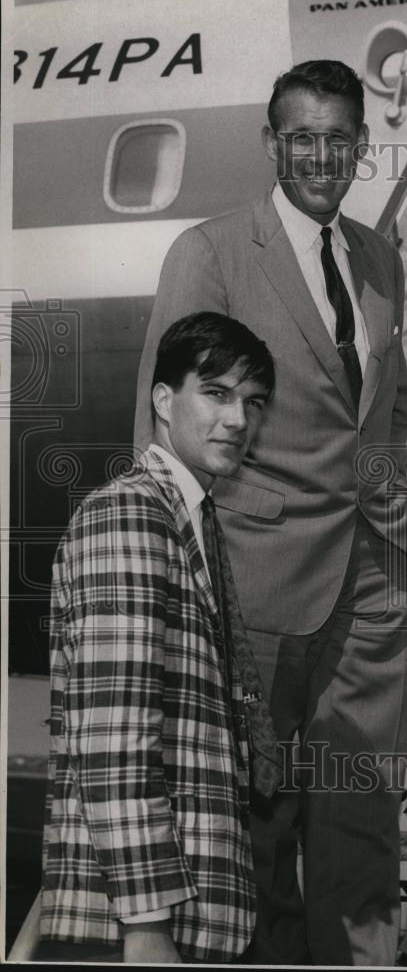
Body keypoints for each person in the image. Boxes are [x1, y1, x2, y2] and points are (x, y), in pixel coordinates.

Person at [133, 60, 407, 966]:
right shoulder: (212, 252)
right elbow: (166, 425)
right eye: (302, 136)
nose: (321, 155)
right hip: (253, 582)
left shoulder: (379, 258)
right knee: (252, 819)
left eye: (339, 138)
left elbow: (387, 401)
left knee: (361, 812)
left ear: (360, 148)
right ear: (272, 143)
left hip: (370, 586)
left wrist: (393, 496)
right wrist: (169, 576)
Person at [38, 312, 276, 964]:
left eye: (252, 403)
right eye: (217, 393)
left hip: (194, 915)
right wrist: (146, 926)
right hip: (145, 928)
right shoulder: (132, 514)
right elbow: (113, 736)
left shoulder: (193, 521)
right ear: (164, 400)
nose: (237, 420)